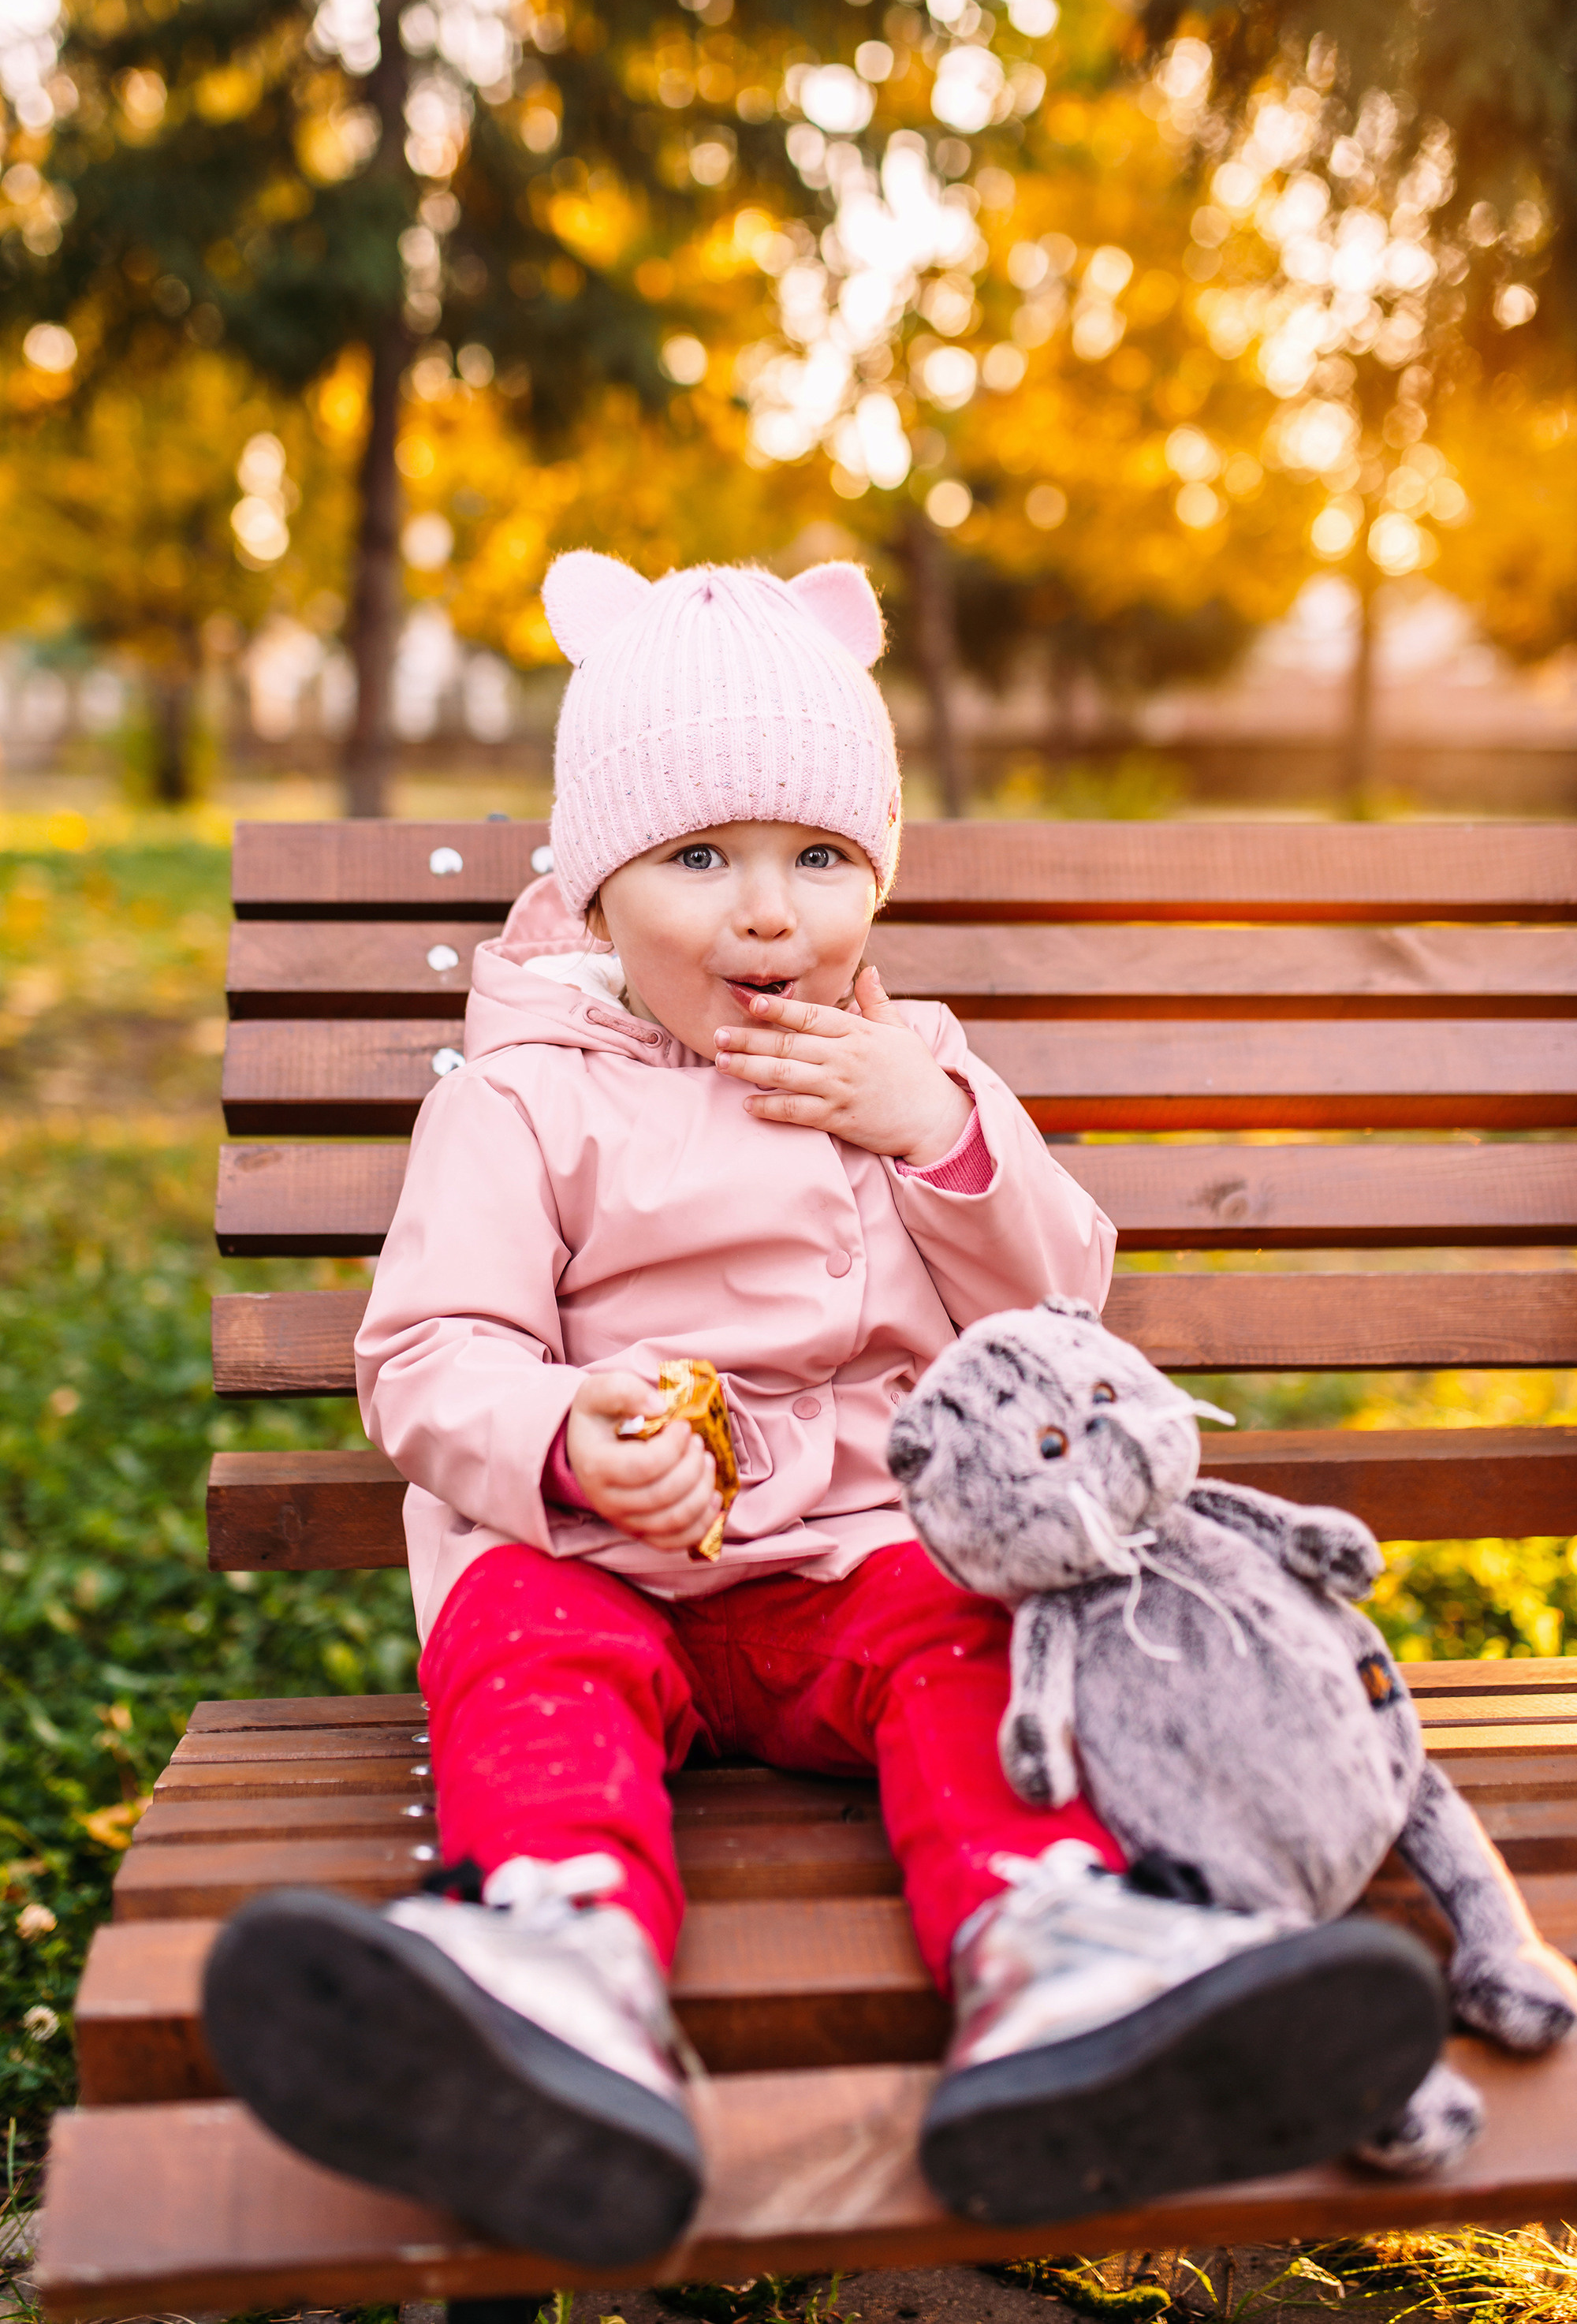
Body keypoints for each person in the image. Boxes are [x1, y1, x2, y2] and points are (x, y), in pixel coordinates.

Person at [202, 554, 1444, 2267]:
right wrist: (570, 1428)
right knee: (523, 1646)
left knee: (967, 1647)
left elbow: (1051, 1316)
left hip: (860, 1546)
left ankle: (1063, 1960)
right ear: (591, 879)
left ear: (876, 875)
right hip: (600, 1551)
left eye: (819, 857)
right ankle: (556, 1975)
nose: (767, 910)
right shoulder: (519, 1100)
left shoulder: (917, 1070)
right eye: (701, 857)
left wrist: (934, 1132)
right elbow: (429, 1352)